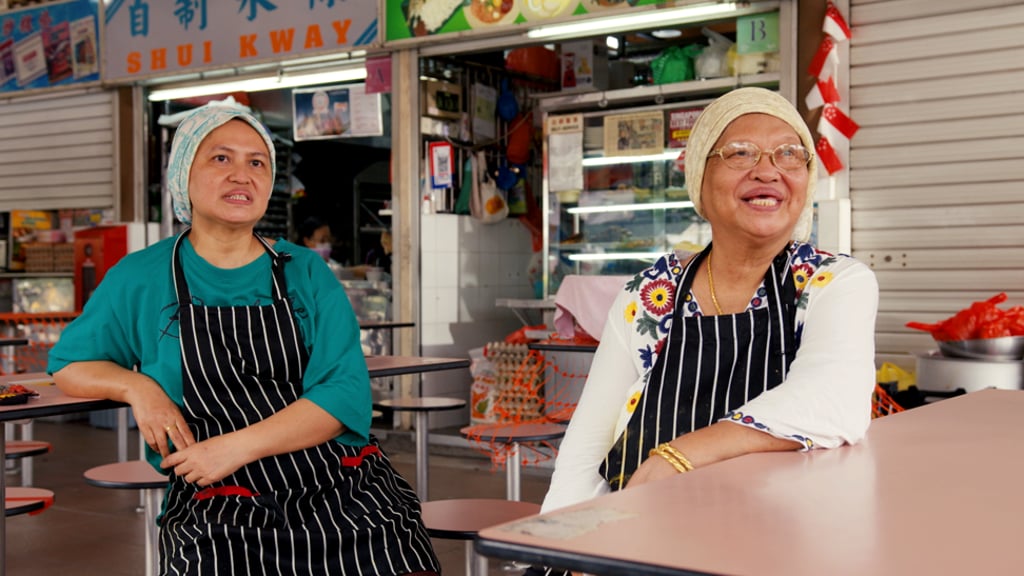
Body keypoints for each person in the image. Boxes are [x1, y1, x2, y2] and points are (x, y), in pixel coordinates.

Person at [47, 104, 440, 576]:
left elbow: (342, 396)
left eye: (257, 162)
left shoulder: (305, 271)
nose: (242, 175)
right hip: (219, 505)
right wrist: (138, 388)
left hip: (342, 490)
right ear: (182, 175)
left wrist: (233, 448)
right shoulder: (141, 277)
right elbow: (70, 364)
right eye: (220, 159)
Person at [534, 87, 878, 572]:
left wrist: (678, 457)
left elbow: (834, 399)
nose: (768, 170)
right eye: (740, 153)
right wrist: (564, 551)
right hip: (638, 535)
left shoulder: (832, 284)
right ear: (701, 178)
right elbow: (587, 445)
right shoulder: (650, 293)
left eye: (789, 153)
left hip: (779, 545)